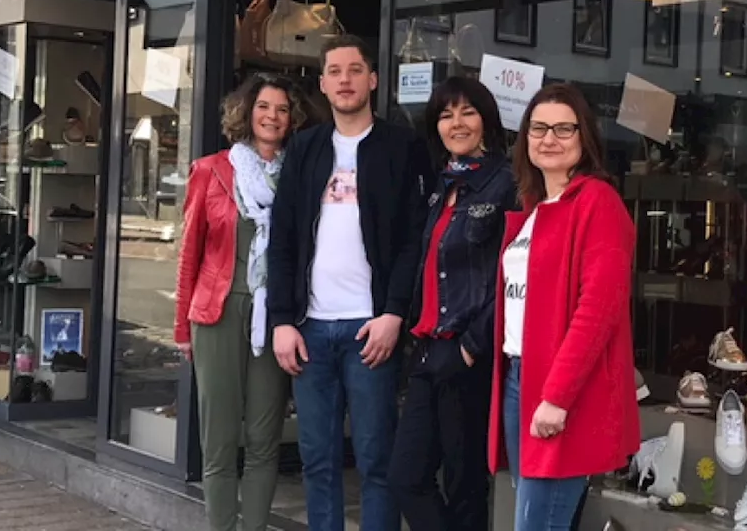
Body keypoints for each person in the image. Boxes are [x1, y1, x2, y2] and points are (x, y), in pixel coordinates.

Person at [267, 36, 432, 531]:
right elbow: (284, 239)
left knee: (377, 460)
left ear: (373, 80)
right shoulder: (305, 147)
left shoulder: (402, 146)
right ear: (322, 83)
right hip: (311, 328)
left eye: (355, 70)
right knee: (317, 461)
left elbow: (412, 241)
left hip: (371, 328)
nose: (345, 80)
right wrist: (281, 320)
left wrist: (394, 314)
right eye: (335, 72)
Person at [488, 83, 640, 531]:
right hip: (521, 378)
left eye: (563, 128)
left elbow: (598, 309)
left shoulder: (597, 202)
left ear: (584, 137)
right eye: (538, 128)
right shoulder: (537, 208)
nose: (548, 138)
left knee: (537, 523)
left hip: (562, 390)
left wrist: (556, 396)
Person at [174, 74, 309, 531]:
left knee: (264, 439)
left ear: (292, 120)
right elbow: (189, 255)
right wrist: (181, 330)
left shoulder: (301, 175)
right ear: (247, 112)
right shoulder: (211, 170)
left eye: (283, 109)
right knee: (219, 439)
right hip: (218, 313)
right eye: (264, 106)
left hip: (277, 317)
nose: (273, 116)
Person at [388, 77, 519, 530]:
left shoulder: (507, 183)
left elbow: (512, 275)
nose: (457, 123)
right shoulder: (441, 185)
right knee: (406, 479)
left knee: (464, 488)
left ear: (486, 120)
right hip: (427, 351)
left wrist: (470, 345)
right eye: (446, 115)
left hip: (467, 353)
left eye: (467, 112)